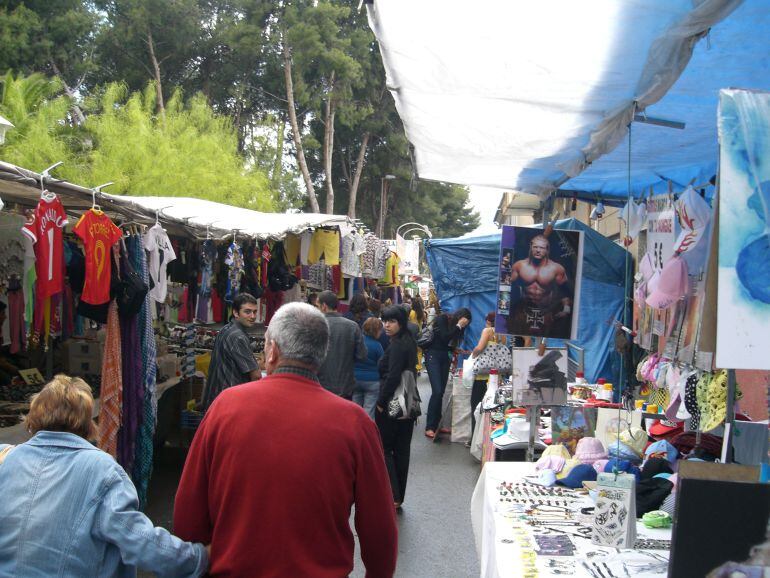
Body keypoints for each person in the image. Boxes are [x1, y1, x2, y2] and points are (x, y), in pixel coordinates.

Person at [174, 303, 397, 577]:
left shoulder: (225, 407)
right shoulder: (355, 423)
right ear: (320, 356)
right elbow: (379, 528)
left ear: (272, 351)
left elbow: (188, 512)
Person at [0, 374, 208, 577]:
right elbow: (139, 540)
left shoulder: (5, 458)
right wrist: (198, 557)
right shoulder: (102, 470)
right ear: (86, 421)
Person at [375, 305, 418, 509]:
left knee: (386, 448)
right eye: (385, 321)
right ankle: (398, 495)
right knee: (402, 449)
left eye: (391, 321)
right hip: (407, 401)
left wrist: (381, 402)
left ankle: (393, 493)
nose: (386, 325)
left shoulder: (398, 345)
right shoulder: (407, 341)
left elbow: (392, 376)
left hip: (393, 400)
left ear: (400, 322)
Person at [202, 293, 261, 410]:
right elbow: (256, 375)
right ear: (235, 313)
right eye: (247, 312)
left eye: (255, 312)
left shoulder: (226, 329)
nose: (253, 316)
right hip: (230, 402)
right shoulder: (238, 336)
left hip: (217, 399)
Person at [507, 234, 573, 338]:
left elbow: (564, 291)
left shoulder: (556, 268)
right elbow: (506, 286)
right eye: (535, 247)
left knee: (544, 341)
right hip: (524, 311)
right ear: (531, 248)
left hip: (546, 312)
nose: (538, 250)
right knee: (523, 341)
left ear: (547, 250)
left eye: (541, 248)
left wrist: (566, 309)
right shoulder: (519, 266)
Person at [423, 307, 471, 438]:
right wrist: (458, 326)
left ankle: (437, 424)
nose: (465, 325)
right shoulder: (443, 318)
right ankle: (430, 426)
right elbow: (444, 337)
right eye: (464, 321)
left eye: (467, 323)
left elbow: (447, 343)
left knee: (441, 392)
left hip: (445, 357)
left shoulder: (457, 327)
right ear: (459, 316)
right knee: (437, 391)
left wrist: (455, 350)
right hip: (433, 356)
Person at [317, 290, 367, 399]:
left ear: (324, 306)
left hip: (320, 386)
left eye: (317, 306)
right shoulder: (352, 326)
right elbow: (362, 355)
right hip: (346, 386)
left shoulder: (313, 326)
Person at [469, 312, 507, 436]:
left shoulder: (488, 331)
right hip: (497, 376)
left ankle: (475, 437)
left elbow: (479, 348)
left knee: (477, 405)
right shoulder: (503, 334)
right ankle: (491, 436)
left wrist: (473, 356)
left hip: (483, 375)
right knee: (493, 407)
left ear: (489, 322)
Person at [354, 317, 385, 419]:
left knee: (355, 409)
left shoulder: (357, 342)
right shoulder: (377, 345)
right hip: (372, 381)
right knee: (369, 411)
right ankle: (367, 432)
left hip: (355, 379)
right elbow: (382, 364)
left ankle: (355, 431)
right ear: (377, 331)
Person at [408, 294, 426, 373]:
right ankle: (418, 367)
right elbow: (424, 321)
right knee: (419, 351)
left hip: (411, 332)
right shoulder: (422, 313)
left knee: (412, 349)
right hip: (419, 332)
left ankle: (413, 366)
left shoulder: (411, 312)